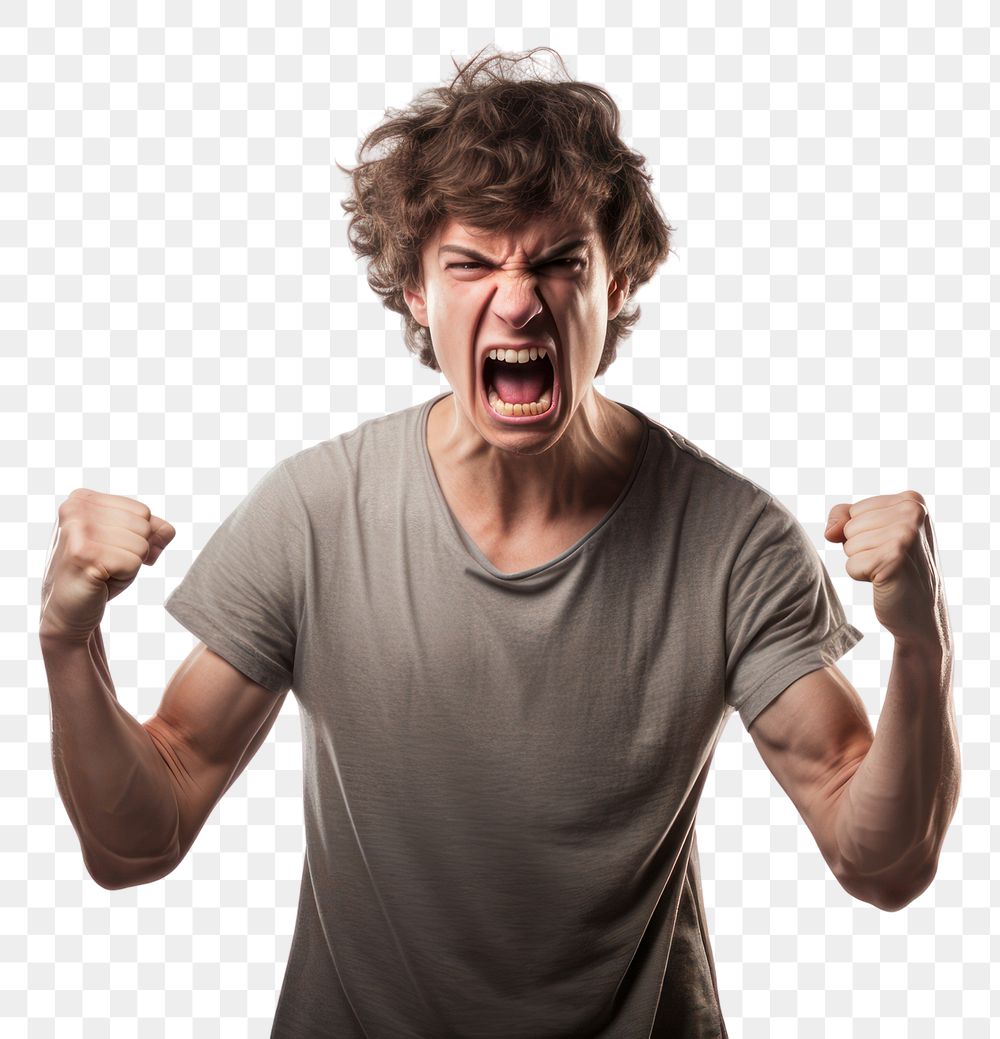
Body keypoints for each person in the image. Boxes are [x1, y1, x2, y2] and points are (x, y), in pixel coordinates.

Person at [39, 46, 959, 1039]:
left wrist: (921, 643)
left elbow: (882, 862)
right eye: (470, 263)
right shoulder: (315, 514)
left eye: (559, 260)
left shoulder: (730, 540)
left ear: (618, 282)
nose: (516, 300)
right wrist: (66, 644)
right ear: (413, 295)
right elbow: (141, 837)